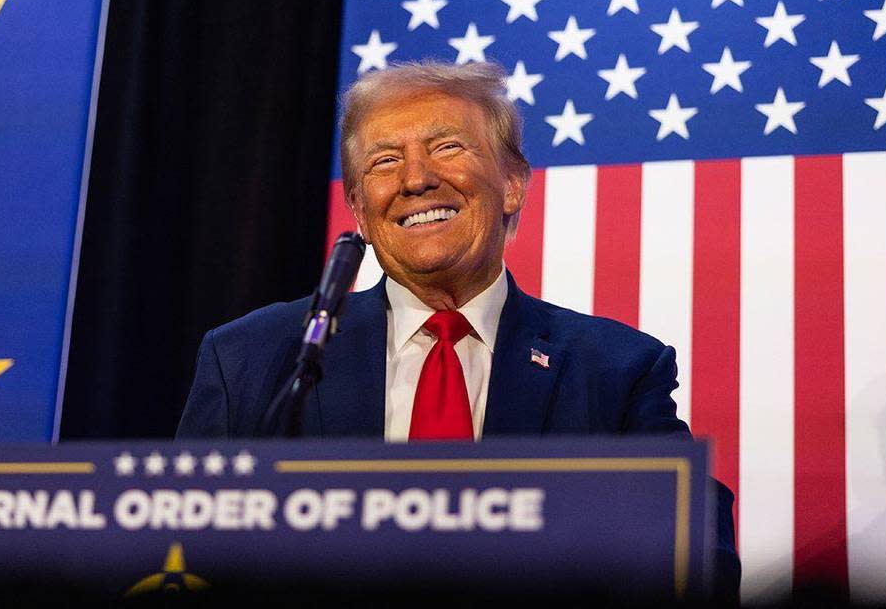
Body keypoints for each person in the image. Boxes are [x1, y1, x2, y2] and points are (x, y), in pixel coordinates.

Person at [177, 60, 740, 596]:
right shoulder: (256, 358)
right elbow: (176, 550)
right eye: (384, 162)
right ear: (358, 209)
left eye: (447, 147)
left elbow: (695, 555)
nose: (416, 179)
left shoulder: (616, 369)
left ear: (513, 184)